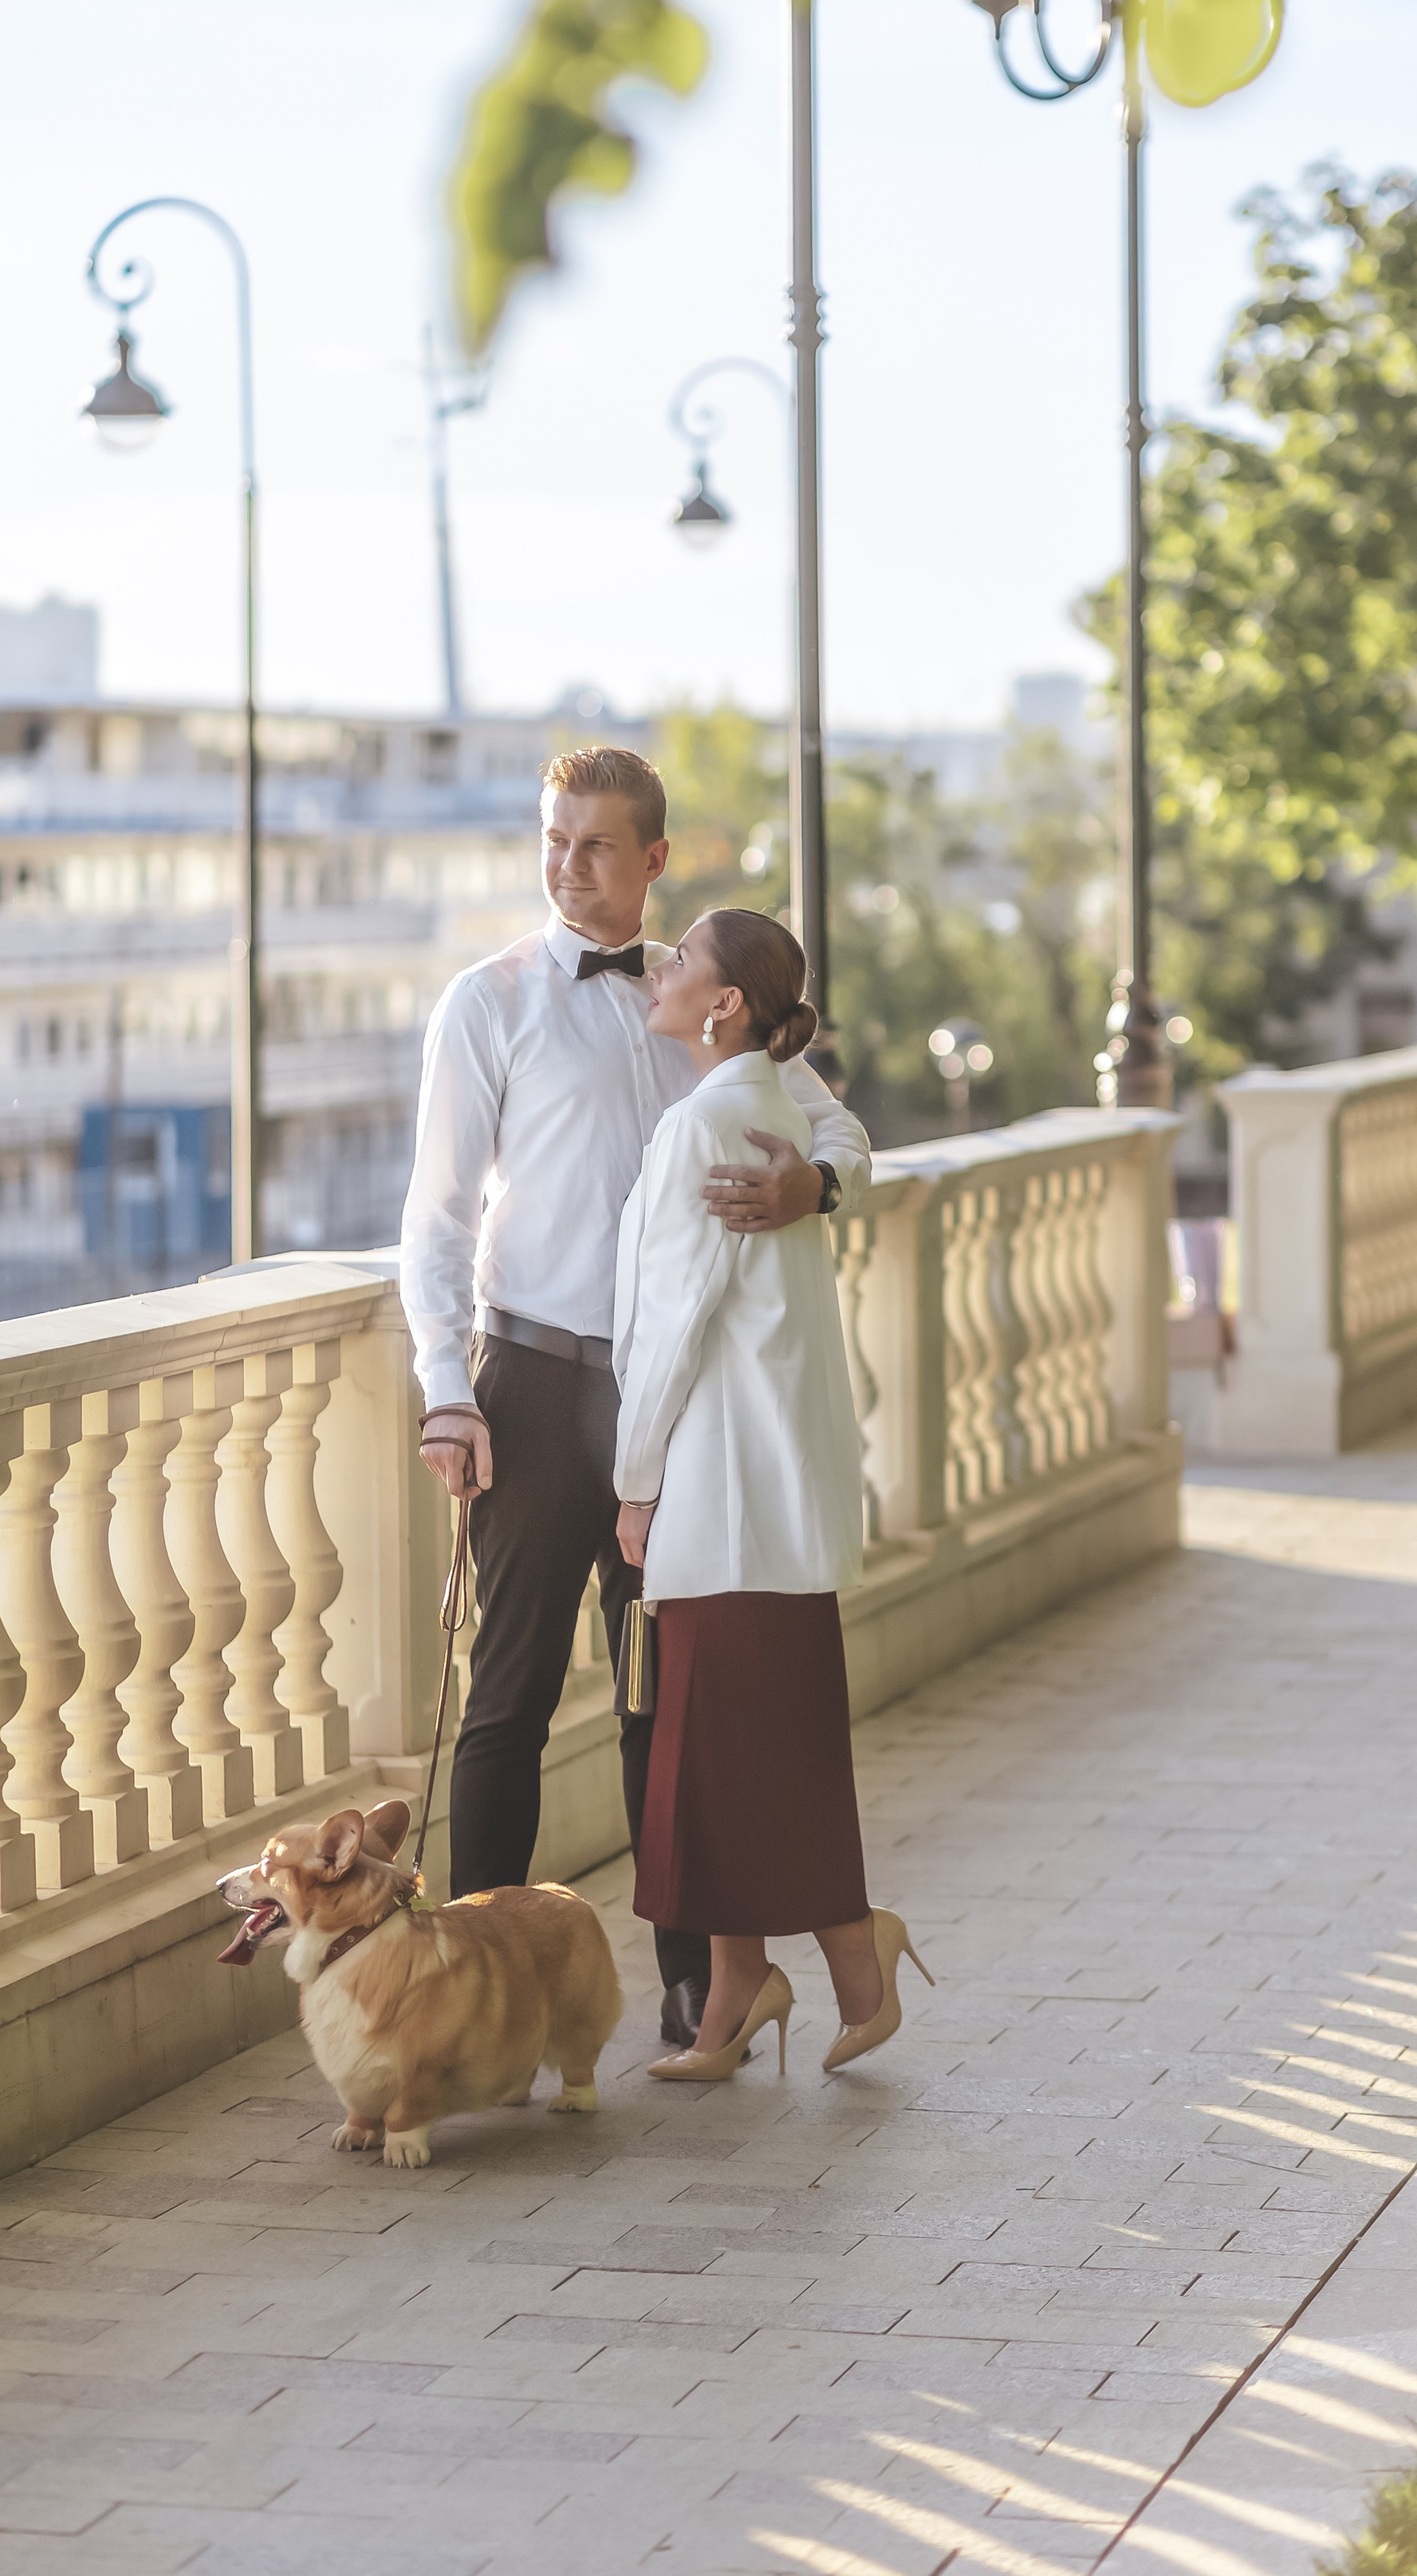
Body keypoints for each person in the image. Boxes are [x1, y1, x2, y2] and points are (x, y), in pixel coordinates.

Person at [399, 745, 872, 2048]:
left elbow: (838, 1132)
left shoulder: (701, 1000)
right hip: (535, 1384)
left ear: (654, 858)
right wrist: (449, 1390)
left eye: (597, 845)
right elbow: (436, 1219)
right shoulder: (485, 1001)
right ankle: (480, 1999)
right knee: (505, 1703)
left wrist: (808, 1190)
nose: (567, 865)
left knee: (661, 1703)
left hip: (683, 1411)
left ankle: (688, 1987)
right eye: (554, 839)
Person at [613, 907, 931, 2082]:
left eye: (683, 959)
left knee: (749, 1744)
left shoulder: (719, 1116)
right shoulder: (765, 1097)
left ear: (725, 1004)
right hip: (759, 1481)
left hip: (727, 1481)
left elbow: (669, 1331)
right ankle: (742, 1982)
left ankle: (856, 1952)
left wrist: (632, 1482)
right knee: (721, 1742)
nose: (661, 967)